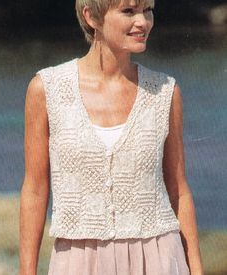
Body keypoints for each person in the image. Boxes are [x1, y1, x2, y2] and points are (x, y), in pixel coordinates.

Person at [19, 0, 204, 274]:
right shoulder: (47, 89)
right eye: (129, 11)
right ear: (91, 17)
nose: (143, 22)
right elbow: (35, 190)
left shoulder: (165, 92)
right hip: (77, 259)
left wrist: (197, 270)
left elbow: (179, 190)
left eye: (148, 10)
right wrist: (27, 271)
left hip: (158, 257)